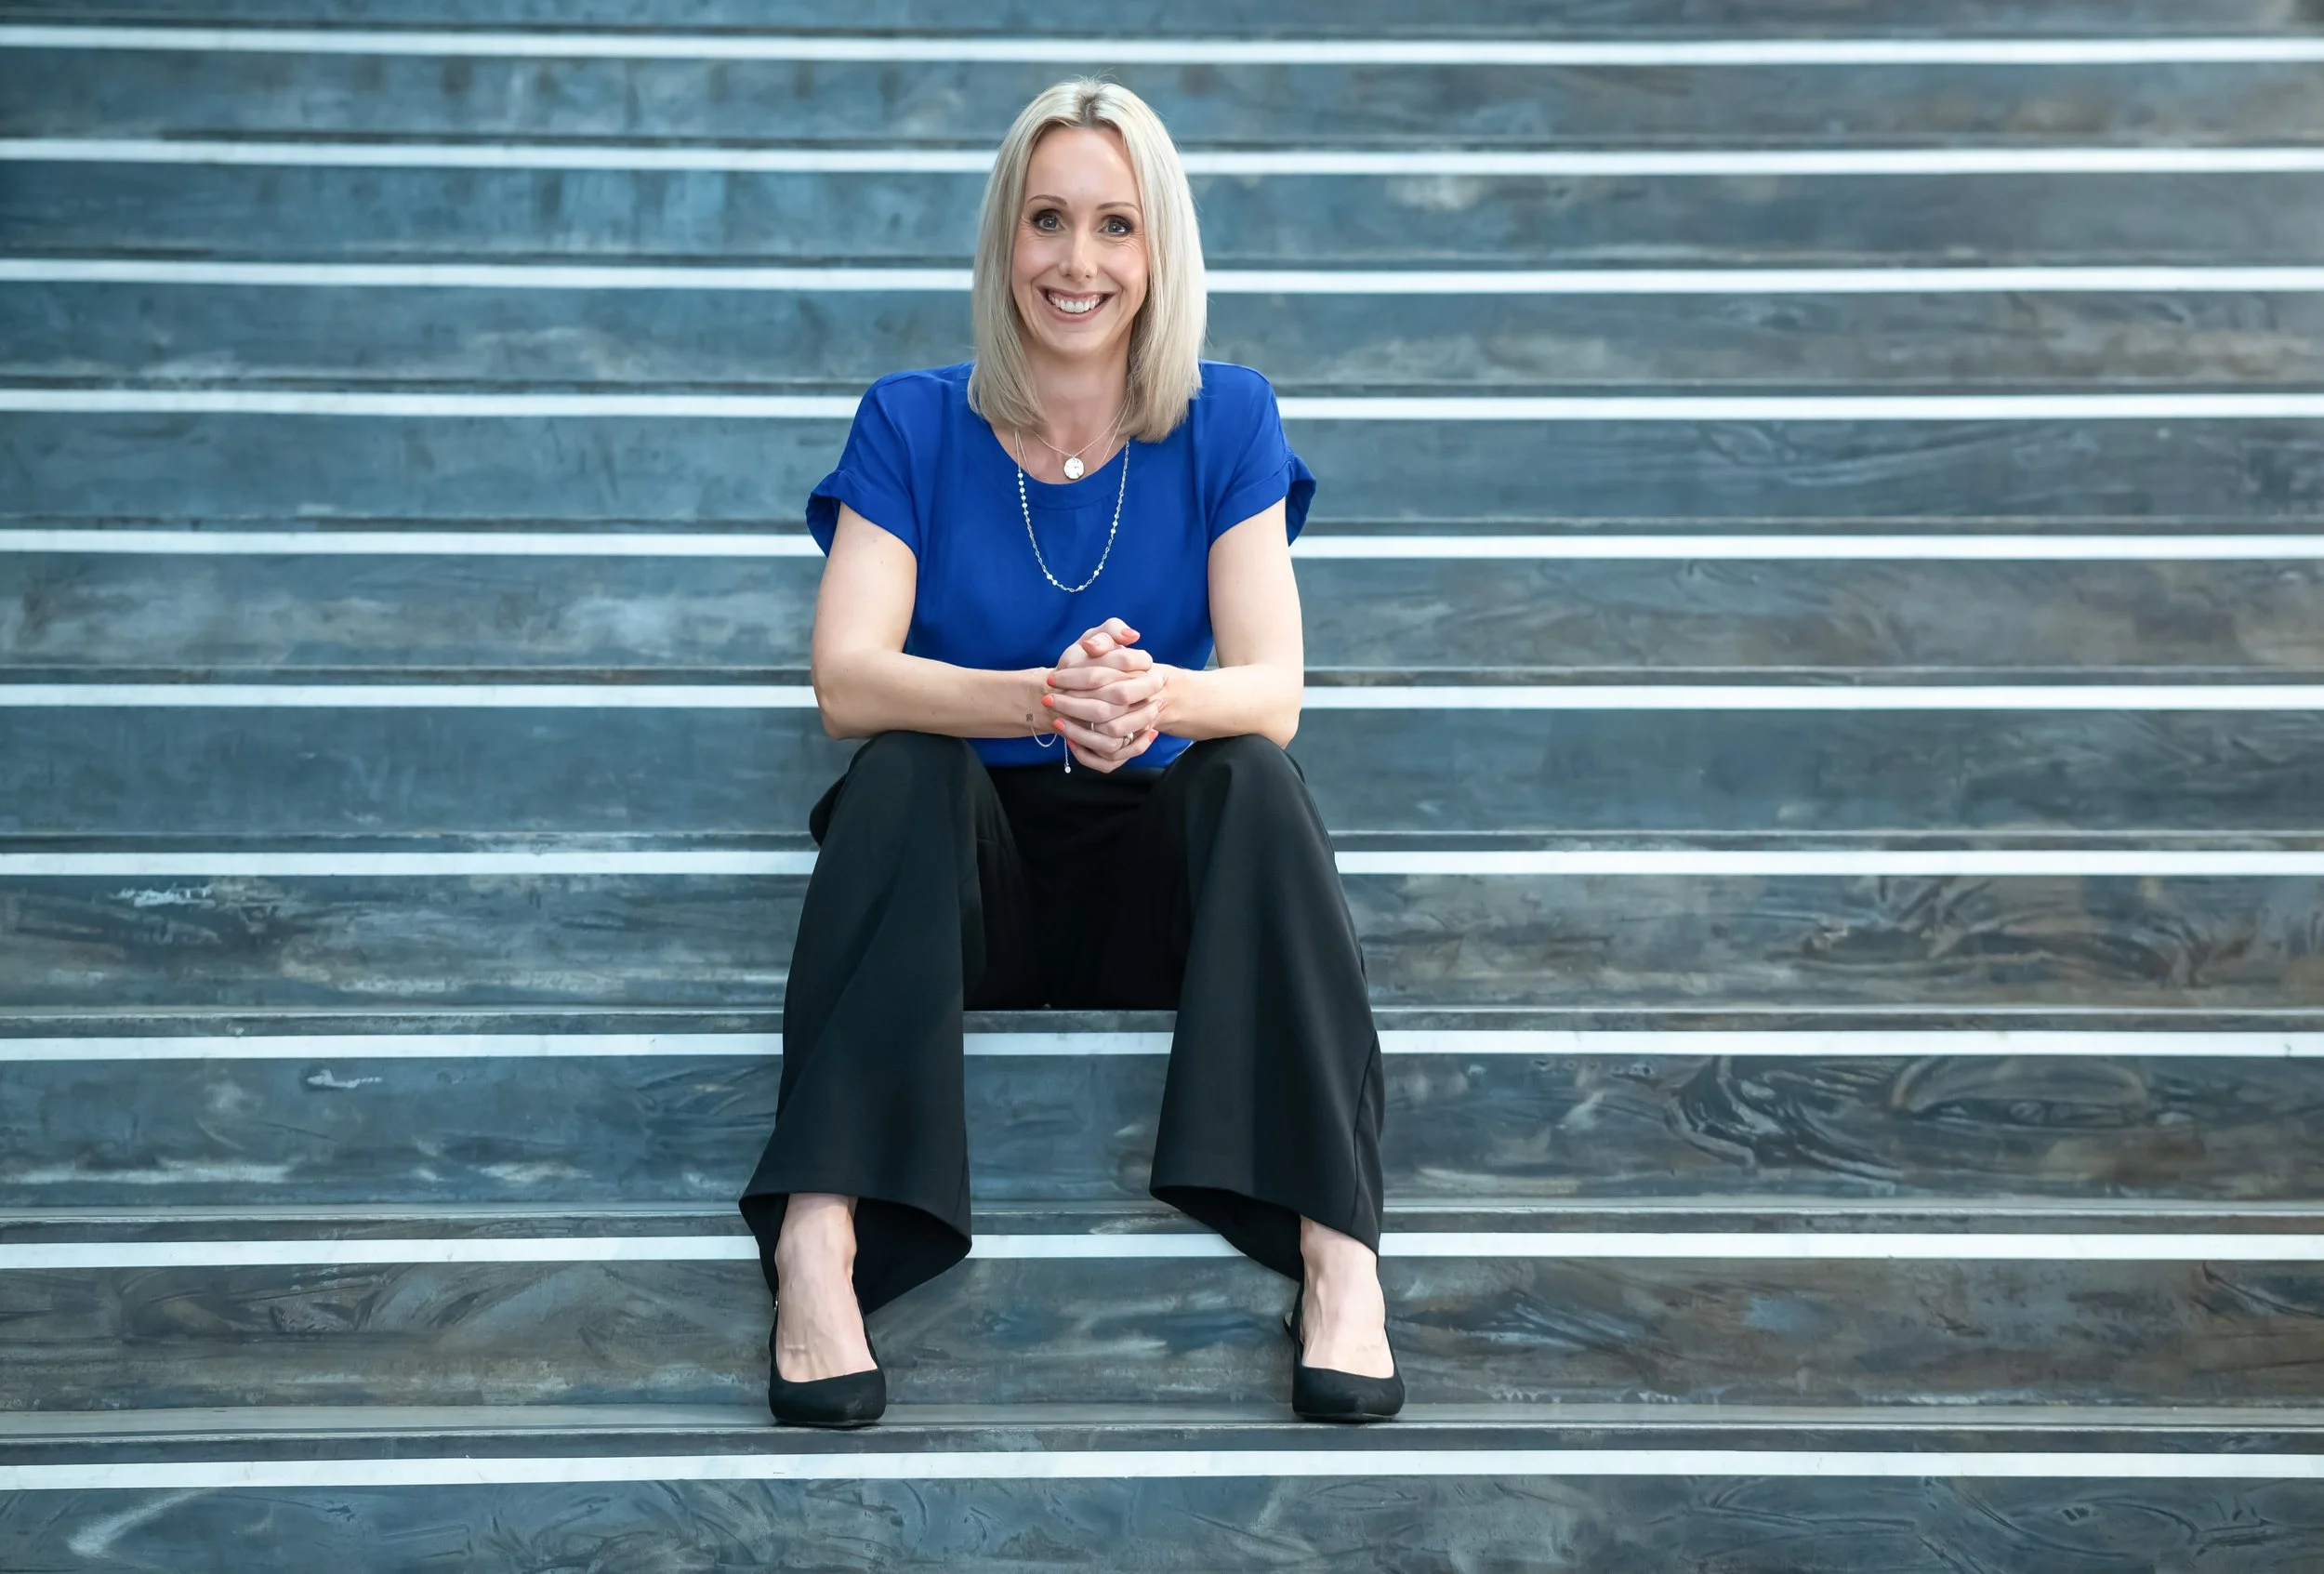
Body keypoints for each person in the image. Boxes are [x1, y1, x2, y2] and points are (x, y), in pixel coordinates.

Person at [737, 77, 1401, 1428]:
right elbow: (845, 680)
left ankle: (1339, 1257)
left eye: (1114, 225)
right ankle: (820, 1237)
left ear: (1159, 250)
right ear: (1005, 241)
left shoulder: (1229, 418)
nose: (1078, 261)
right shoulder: (912, 422)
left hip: (1160, 885)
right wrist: (1042, 699)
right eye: (1047, 221)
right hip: (960, 887)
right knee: (905, 766)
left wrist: (1148, 697)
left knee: (1256, 782)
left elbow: (1271, 690)